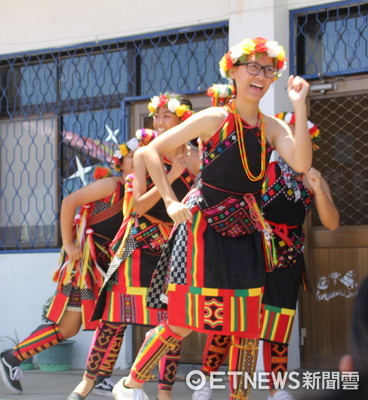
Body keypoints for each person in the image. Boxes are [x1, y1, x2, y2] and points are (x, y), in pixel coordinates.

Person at [112, 37, 313, 400]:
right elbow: (151, 151)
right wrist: (171, 201)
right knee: (183, 320)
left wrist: (299, 103)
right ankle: (130, 384)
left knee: (247, 324)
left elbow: (301, 163)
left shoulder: (270, 127)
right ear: (233, 71)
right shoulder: (214, 117)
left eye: (268, 70)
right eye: (252, 67)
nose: (261, 76)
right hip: (202, 227)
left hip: (249, 228)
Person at [193, 112, 340, 400]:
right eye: (291, 134)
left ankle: (276, 389)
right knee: (230, 320)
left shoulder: (313, 177)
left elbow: (333, 222)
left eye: (302, 137)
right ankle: (206, 380)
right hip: (250, 252)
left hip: (287, 258)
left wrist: (318, 189)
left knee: (278, 323)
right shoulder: (258, 169)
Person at [68, 94, 198, 400]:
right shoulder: (144, 154)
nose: (160, 122)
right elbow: (138, 206)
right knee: (113, 319)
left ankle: (164, 392)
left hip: (173, 247)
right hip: (136, 242)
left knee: (172, 321)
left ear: (184, 120)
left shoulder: (198, 157)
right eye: (157, 116)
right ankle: (86, 385)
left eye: (167, 116)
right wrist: (171, 177)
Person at [0, 138, 135, 395]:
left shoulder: (140, 195)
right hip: (85, 267)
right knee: (68, 326)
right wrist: (69, 243)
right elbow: (69, 202)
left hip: (110, 267)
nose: (137, 163)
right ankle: (12, 357)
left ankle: (102, 376)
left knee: (115, 319)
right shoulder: (111, 185)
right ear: (121, 162)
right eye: (132, 157)